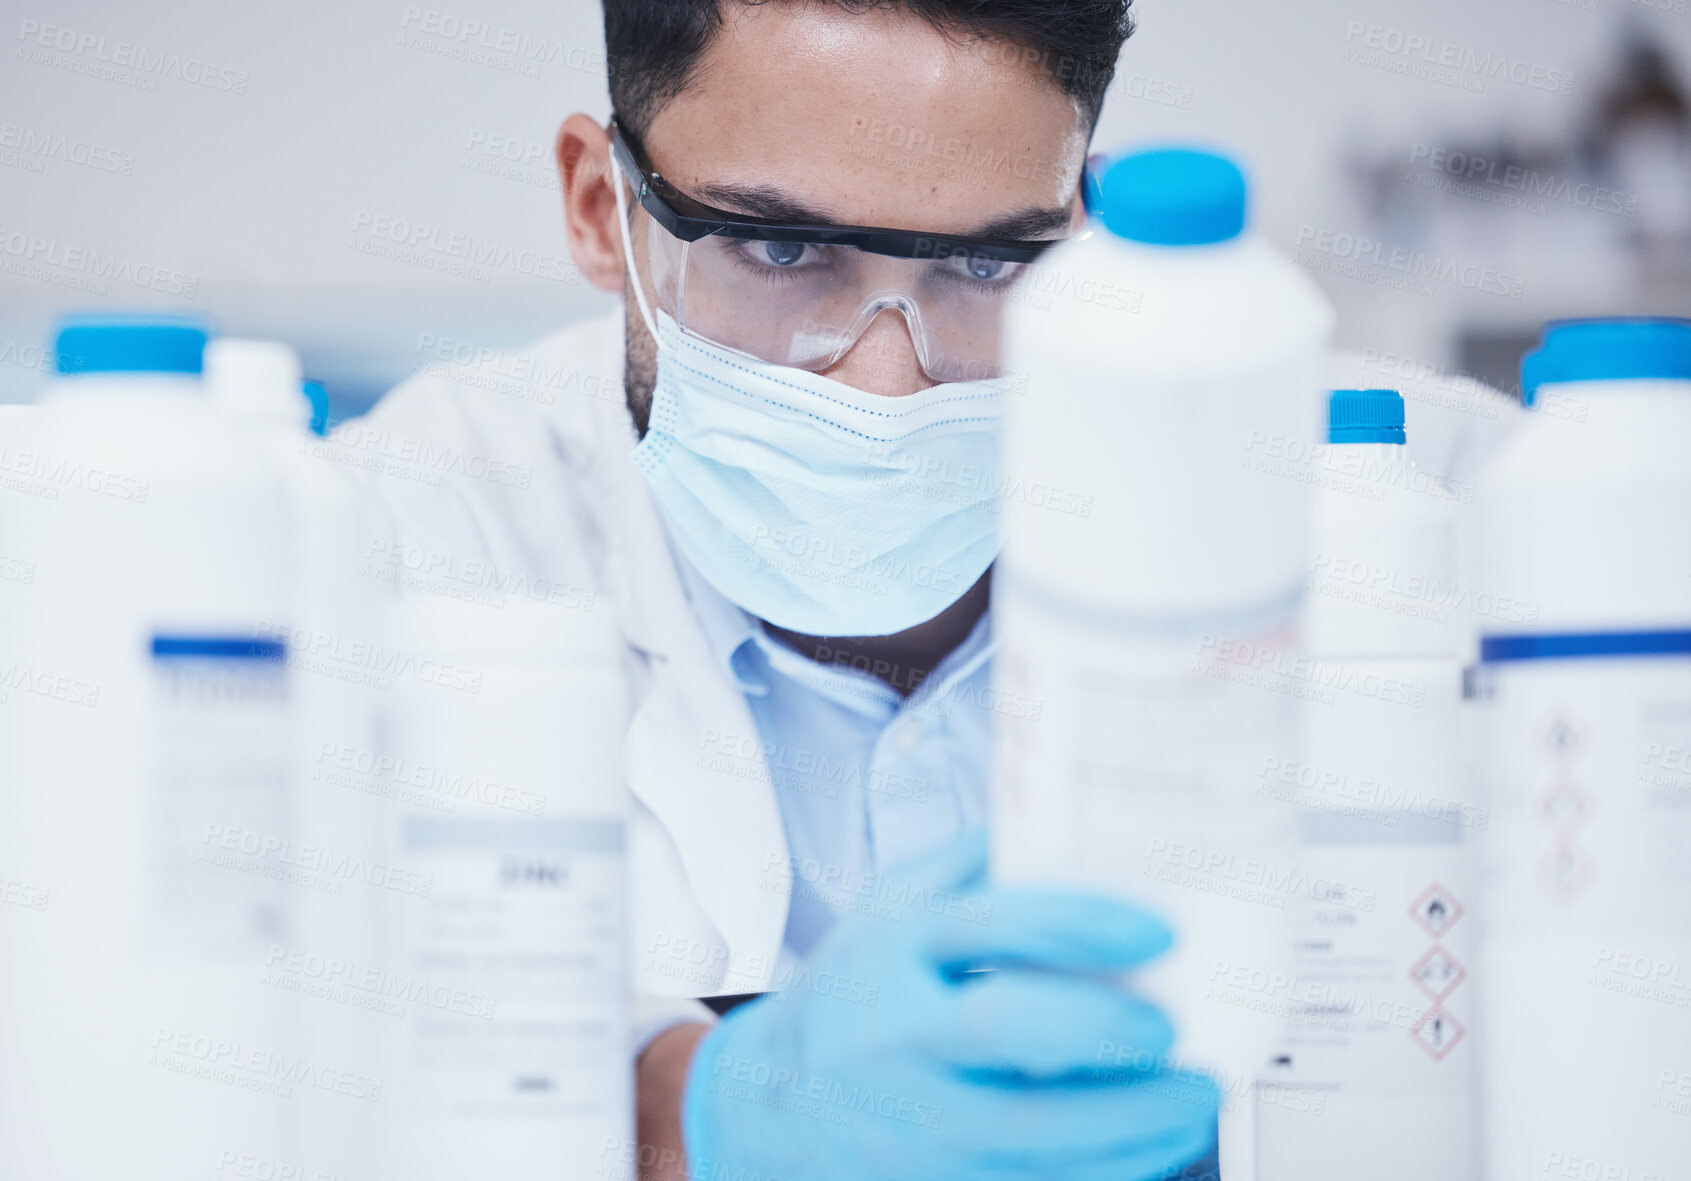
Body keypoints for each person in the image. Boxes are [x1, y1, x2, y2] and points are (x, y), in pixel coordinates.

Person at [344, 1, 1221, 1176]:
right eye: (782, 249)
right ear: (603, 210)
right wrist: (709, 1113)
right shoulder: (403, 535)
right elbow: (327, 1019)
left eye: (985, 262)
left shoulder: (1335, 502)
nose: (886, 384)